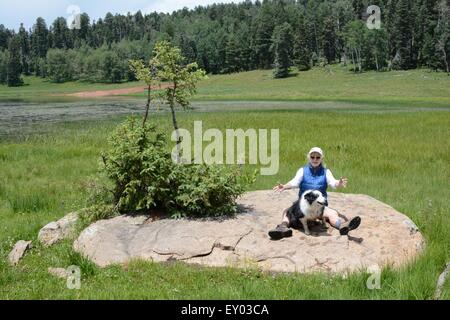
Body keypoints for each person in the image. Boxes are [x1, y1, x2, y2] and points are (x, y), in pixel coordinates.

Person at [268, 147, 361, 240]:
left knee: (332, 213)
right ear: (309, 158)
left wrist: (339, 183)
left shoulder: (326, 172)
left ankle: (342, 226)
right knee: (287, 212)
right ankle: (283, 228)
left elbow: (333, 182)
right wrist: (284, 186)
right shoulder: (302, 171)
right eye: (312, 157)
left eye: (318, 157)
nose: (315, 159)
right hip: (304, 207)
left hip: (319, 207)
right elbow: (295, 182)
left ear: (321, 158)